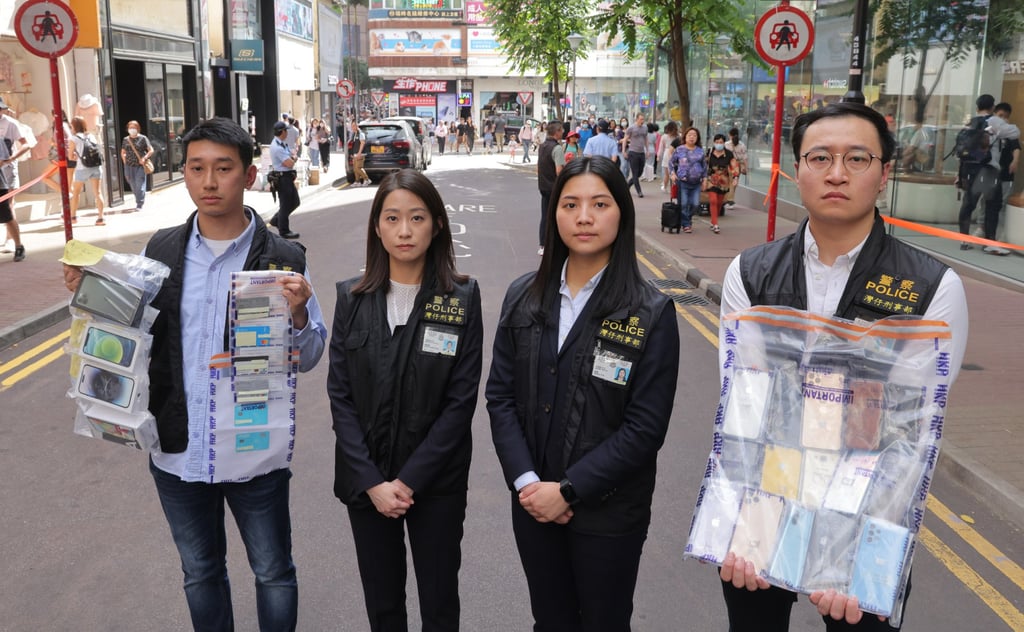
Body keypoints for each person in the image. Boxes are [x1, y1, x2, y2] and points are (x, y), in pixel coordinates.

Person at [62, 117, 327, 632]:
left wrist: (298, 316)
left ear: (248, 176)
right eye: (196, 168)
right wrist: (89, 291)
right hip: (178, 450)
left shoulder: (283, 258)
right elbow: (128, 333)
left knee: (273, 571)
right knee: (200, 572)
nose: (209, 182)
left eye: (223, 169)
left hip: (255, 451)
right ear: (183, 173)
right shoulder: (159, 251)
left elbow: (312, 354)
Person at [717, 101, 969, 632]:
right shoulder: (750, 272)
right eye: (820, 157)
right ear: (796, 169)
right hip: (768, 494)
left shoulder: (932, 286)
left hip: (872, 510)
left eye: (857, 158)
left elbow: (910, 431)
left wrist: (853, 537)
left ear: (884, 174)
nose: (837, 173)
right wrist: (739, 516)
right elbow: (745, 403)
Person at [487, 155, 680, 632]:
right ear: (554, 214)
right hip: (533, 504)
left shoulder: (649, 313)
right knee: (550, 621)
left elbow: (644, 429)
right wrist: (527, 483)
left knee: (603, 622)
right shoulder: (523, 297)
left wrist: (569, 491)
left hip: (609, 514)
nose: (584, 217)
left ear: (622, 213)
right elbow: (500, 397)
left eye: (600, 203)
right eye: (570, 204)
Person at [328, 169, 483, 632]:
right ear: (377, 225)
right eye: (392, 217)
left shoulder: (460, 298)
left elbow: (461, 401)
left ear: (436, 224)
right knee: (384, 606)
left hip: (436, 484)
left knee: (439, 604)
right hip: (366, 482)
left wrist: (410, 480)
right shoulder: (351, 298)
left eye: (416, 217)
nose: (404, 230)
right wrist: (373, 481)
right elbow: (340, 396)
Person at [956, 94, 1013, 251]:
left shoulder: (969, 124)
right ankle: (989, 242)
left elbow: (962, 152)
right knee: (992, 206)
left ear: (977, 107)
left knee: (968, 204)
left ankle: (964, 240)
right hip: (989, 169)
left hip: (969, 169)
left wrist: (959, 175)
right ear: (993, 107)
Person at [0, 97, 28, 261]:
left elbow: (26, 144)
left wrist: (10, 159)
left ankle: (16, 243)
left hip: (5, 174)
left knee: (7, 210)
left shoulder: (10, 124)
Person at [990, 102, 1020, 255]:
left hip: (1006, 174)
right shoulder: (991, 130)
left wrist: (1015, 161)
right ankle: (983, 228)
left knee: (1001, 204)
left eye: (1006, 117)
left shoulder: (1009, 133)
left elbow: (1016, 148)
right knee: (987, 202)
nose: (1004, 119)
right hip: (991, 172)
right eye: (1001, 116)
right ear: (995, 114)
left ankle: (1000, 234)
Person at [69, 115, 106, 226]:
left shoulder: (74, 139)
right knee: (97, 192)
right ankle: (101, 218)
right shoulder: (91, 136)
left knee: (76, 192)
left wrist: (75, 155)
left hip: (82, 168)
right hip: (96, 167)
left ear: (74, 127)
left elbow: (70, 157)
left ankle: (73, 217)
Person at [669, 127, 706, 234]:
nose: (692, 137)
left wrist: (704, 179)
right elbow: (671, 163)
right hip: (683, 182)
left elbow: (704, 167)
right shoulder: (679, 149)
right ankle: (686, 224)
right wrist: (672, 173)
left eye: (694, 135)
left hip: (696, 183)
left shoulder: (700, 151)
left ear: (697, 138)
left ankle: (686, 218)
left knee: (695, 204)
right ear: (685, 137)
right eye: (690, 135)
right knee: (684, 203)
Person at [536, 121, 565, 256]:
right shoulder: (557, 148)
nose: (563, 132)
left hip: (543, 186)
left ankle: (543, 244)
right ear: (556, 132)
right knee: (556, 216)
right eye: (561, 130)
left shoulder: (542, 146)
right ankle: (555, 244)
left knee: (545, 215)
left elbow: (539, 167)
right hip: (554, 187)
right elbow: (559, 170)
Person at [268, 120, 301, 239]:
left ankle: (277, 219)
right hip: (282, 178)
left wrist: (292, 157)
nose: (287, 132)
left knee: (295, 202)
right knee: (285, 205)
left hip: (286, 176)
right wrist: (294, 158)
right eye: (285, 130)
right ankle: (284, 230)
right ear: (281, 132)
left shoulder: (281, 143)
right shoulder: (277, 147)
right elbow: (289, 163)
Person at [703, 133, 738, 234]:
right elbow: (704, 165)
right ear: (714, 142)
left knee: (719, 202)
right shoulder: (709, 152)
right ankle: (715, 224)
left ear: (724, 143)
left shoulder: (729, 154)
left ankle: (713, 220)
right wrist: (703, 178)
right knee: (713, 200)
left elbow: (734, 166)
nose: (719, 144)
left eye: (721, 142)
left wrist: (735, 177)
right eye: (717, 142)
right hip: (711, 179)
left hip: (723, 181)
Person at [119, 120, 154, 212]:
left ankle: (140, 203)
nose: (132, 129)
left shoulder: (143, 138)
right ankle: (138, 198)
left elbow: (151, 150)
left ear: (138, 128)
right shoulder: (126, 139)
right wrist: (124, 161)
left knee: (139, 184)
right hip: (129, 165)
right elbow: (123, 151)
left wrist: (144, 158)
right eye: (130, 128)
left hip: (140, 165)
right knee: (132, 184)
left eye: (134, 128)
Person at [621, 113, 648, 197]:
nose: (642, 121)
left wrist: (647, 150)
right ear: (636, 119)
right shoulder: (631, 128)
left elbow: (646, 139)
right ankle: (639, 191)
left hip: (641, 153)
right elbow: (625, 139)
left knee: (640, 173)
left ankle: (627, 185)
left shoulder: (645, 128)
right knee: (635, 173)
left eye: (643, 119)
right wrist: (623, 151)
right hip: (633, 152)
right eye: (640, 119)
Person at [724, 127, 748, 207]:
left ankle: (729, 200)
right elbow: (745, 158)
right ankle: (730, 200)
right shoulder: (742, 145)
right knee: (734, 182)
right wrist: (745, 168)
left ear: (730, 135)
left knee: (728, 182)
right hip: (738, 165)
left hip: (729, 164)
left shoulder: (726, 144)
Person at [659, 121, 680, 193]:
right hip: (675, 154)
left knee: (667, 174)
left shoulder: (664, 137)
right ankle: (673, 188)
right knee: (673, 173)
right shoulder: (678, 137)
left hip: (667, 154)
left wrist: (658, 156)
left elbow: (661, 148)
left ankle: (665, 187)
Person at [349, 118, 370, 188]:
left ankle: (366, 179)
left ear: (357, 126)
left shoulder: (361, 134)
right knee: (355, 169)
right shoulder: (354, 134)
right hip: (355, 154)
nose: (352, 127)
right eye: (352, 126)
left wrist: (359, 153)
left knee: (358, 168)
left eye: (354, 126)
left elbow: (362, 143)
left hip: (360, 154)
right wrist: (352, 154)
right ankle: (357, 181)